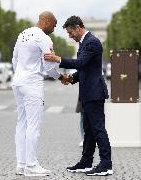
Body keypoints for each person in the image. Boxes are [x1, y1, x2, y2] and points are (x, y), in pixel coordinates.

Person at [44, 16, 113, 176]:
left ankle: (106, 164)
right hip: (88, 92)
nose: (69, 36)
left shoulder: (92, 42)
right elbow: (85, 69)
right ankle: (86, 162)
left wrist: (58, 59)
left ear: (77, 27)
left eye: (70, 32)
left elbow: (81, 63)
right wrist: (71, 78)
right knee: (88, 130)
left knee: (98, 129)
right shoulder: (84, 42)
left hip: (94, 92)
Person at [11, 11, 69, 177]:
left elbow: (14, 58)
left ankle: (21, 165)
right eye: (54, 25)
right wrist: (61, 77)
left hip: (18, 82)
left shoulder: (22, 34)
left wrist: (19, 74)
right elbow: (49, 66)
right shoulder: (44, 38)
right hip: (32, 84)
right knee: (34, 125)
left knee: (21, 123)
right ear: (47, 21)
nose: (54, 28)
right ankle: (31, 165)